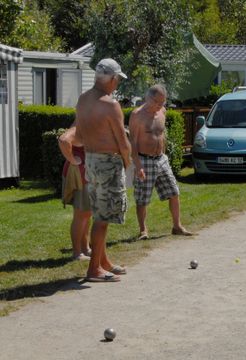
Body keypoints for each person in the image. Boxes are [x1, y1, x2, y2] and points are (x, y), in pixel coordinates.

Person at [76, 58, 131, 282]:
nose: (117, 83)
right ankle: (94, 270)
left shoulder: (83, 99)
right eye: (117, 79)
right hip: (108, 162)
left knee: (99, 212)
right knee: (103, 217)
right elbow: (122, 141)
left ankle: (103, 261)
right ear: (111, 78)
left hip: (90, 160)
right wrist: (128, 162)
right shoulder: (110, 105)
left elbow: (79, 135)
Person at [129, 84, 193, 240]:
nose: (160, 106)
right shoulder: (137, 115)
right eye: (157, 102)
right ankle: (143, 230)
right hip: (144, 160)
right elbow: (133, 142)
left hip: (161, 159)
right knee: (142, 198)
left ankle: (177, 226)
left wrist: (163, 154)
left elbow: (161, 134)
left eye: (162, 103)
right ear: (148, 98)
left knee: (174, 192)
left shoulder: (162, 112)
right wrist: (138, 165)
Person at [58, 126, 92, 261]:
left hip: (85, 172)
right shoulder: (80, 126)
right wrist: (73, 160)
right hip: (80, 174)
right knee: (81, 214)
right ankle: (77, 252)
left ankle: (85, 248)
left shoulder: (87, 124)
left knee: (87, 213)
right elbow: (63, 140)